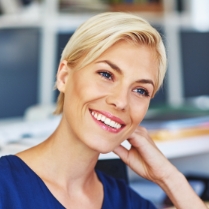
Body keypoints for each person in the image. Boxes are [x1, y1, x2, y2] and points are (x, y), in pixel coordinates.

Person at [0, 12, 207, 209]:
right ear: (64, 77)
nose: (121, 101)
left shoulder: (126, 202)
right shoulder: (6, 187)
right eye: (106, 75)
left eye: (140, 90)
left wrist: (169, 178)